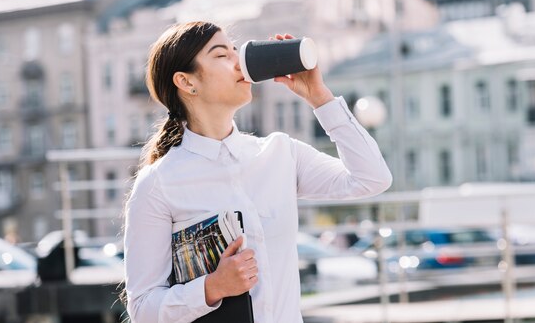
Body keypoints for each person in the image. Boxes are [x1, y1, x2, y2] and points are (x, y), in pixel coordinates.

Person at [124, 21, 392, 323]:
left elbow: (372, 178)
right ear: (187, 82)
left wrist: (319, 97)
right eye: (221, 55)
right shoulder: (158, 184)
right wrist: (212, 287)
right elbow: (142, 309)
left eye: (235, 50)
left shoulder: (281, 154)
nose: (239, 62)